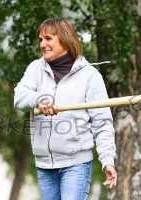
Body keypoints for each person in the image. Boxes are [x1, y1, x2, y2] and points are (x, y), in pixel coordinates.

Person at [14, 18, 117, 200]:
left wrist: (107, 159)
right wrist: (39, 100)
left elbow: (102, 123)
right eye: (40, 40)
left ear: (65, 39)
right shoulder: (36, 68)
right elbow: (20, 96)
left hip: (76, 164)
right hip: (44, 165)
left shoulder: (90, 76)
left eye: (48, 38)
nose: (43, 44)